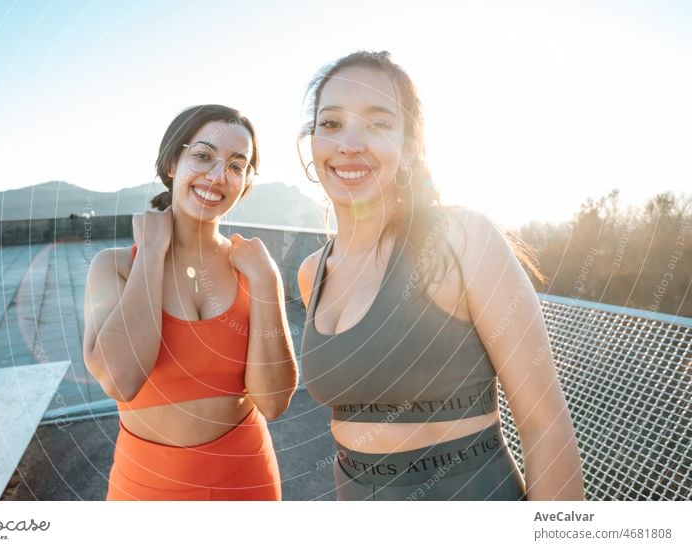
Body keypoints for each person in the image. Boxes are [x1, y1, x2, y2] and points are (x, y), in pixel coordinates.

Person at [297, 51, 584, 501]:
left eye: (377, 123)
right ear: (312, 141)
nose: (348, 143)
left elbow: (544, 424)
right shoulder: (312, 273)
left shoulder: (461, 239)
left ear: (410, 147)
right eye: (331, 123)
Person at [83, 104, 298, 500]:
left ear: (246, 183)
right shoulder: (114, 268)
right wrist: (150, 253)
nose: (217, 176)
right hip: (146, 487)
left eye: (237, 165)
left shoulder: (252, 271)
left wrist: (267, 282)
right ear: (171, 164)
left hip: (248, 480)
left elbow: (273, 401)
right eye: (202, 156)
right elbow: (120, 379)